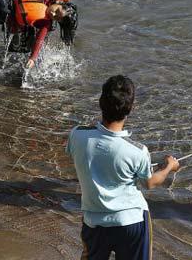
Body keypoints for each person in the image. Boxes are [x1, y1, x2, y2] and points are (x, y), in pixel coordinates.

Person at [66, 75, 180, 260]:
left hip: (93, 223)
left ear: (101, 101)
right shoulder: (138, 151)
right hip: (131, 223)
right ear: (131, 108)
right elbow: (150, 183)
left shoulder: (76, 135)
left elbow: (89, 156)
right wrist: (169, 167)